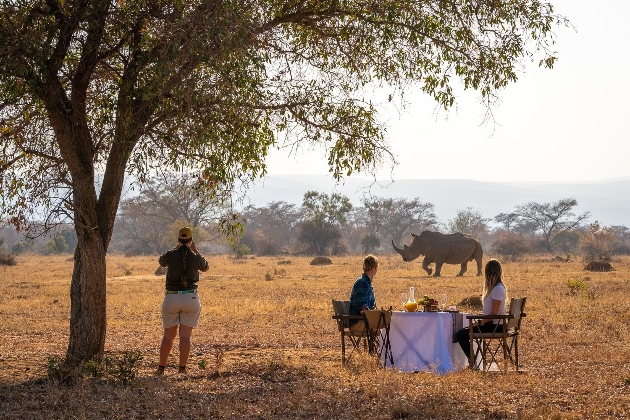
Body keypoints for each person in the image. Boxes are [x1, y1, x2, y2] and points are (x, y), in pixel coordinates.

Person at [156, 226, 209, 375]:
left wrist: (176, 248)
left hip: (171, 297)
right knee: (185, 336)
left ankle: (161, 368)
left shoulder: (172, 254)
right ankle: (182, 369)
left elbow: (161, 261)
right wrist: (195, 250)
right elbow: (206, 267)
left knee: (168, 336)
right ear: (191, 240)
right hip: (190, 297)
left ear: (178, 240)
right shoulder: (195, 257)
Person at [455, 258, 507, 368]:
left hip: (495, 326)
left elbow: (494, 313)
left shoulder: (497, 289)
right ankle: (473, 360)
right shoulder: (496, 288)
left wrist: (478, 322)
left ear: (488, 273)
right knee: (463, 332)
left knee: (461, 334)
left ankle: (472, 361)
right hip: (493, 324)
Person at [348, 254, 378, 332]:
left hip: (365, 321)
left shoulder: (367, 283)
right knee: (386, 328)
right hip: (358, 323)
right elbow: (363, 309)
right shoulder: (362, 283)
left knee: (386, 325)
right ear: (374, 267)